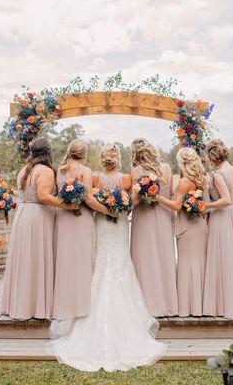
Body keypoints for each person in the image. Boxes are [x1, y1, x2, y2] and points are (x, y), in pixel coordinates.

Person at [50, 143, 167, 372]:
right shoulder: (125, 179)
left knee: (100, 263)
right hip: (119, 222)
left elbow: (90, 202)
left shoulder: (94, 178)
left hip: (102, 223)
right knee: (120, 262)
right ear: (118, 158)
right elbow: (132, 203)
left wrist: (106, 208)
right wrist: (119, 208)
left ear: (103, 158)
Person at [1, 138, 75, 320]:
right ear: (48, 152)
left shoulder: (25, 170)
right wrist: (67, 205)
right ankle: (35, 308)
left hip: (24, 215)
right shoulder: (46, 171)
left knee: (26, 260)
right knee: (36, 260)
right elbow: (43, 196)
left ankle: (20, 304)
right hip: (38, 217)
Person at [52, 139, 114, 320]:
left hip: (63, 218)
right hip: (81, 220)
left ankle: (64, 305)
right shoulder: (85, 171)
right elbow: (88, 199)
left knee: (65, 260)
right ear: (84, 154)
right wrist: (109, 211)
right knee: (83, 261)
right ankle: (80, 306)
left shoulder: (60, 170)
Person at [155, 147, 208, 317]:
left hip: (188, 227)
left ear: (182, 162)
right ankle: (199, 307)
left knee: (186, 264)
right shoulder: (201, 179)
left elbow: (177, 206)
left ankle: (186, 308)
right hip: (199, 225)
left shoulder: (185, 182)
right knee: (198, 263)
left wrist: (158, 198)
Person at [131, 138, 178, 317]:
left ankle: (148, 305)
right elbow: (171, 194)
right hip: (165, 216)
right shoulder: (166, 168)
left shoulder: (137, 170)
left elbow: (136, 199)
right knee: (164, 257)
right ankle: (168, 304)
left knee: (146, 257)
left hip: (145, 217)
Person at [203, 139, 233, 319]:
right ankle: (232, 300)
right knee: (230, 257)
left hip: (221, 217)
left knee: (221, 256)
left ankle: (222, 304)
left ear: (212, 156)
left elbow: (226, 199)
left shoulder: (218, 174)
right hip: (232, 217)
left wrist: (206, 206)